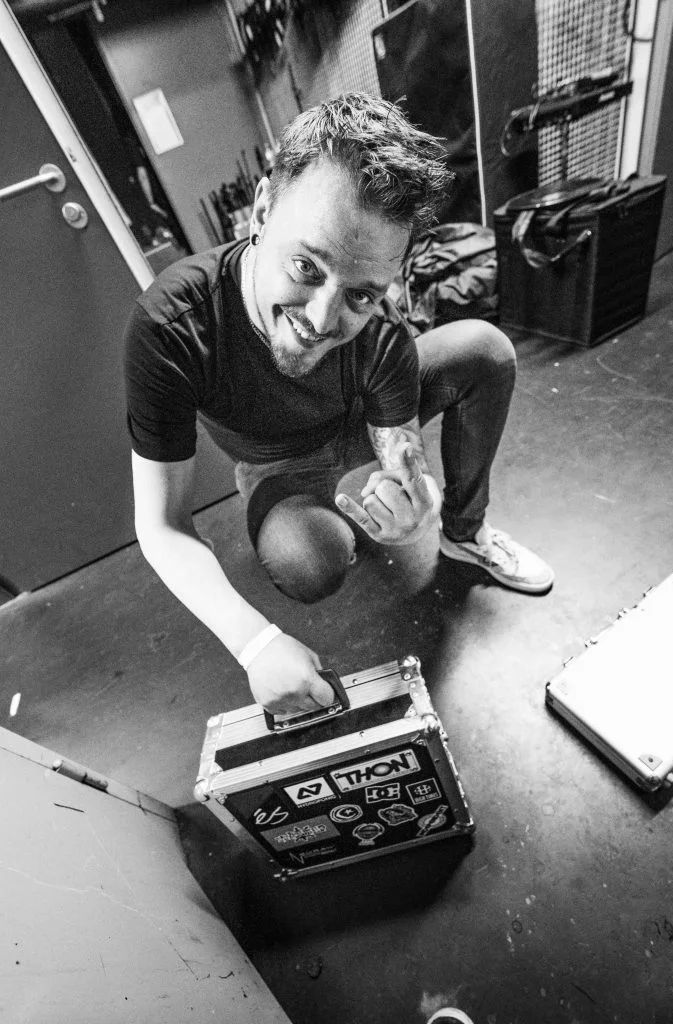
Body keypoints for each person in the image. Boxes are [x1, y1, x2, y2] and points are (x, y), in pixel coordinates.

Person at [124, 93, 553, 718]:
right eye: (306, 266)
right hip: (279, 464)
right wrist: (255, 644)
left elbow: (398, 443)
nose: (322, 319)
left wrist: (416, 498)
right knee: (309, 565)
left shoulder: (382, 329)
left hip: (359, 424)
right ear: (262, 212)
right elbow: (161, 525)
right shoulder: (172, 326)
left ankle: (466, 534)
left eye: (360, 294)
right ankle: (318, 517)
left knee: (484, 350)